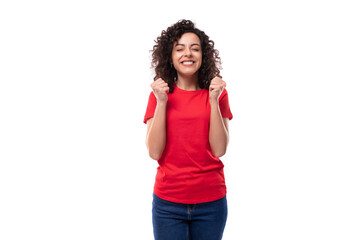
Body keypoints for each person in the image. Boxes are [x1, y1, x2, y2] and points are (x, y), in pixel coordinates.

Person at [143, 19, 233, 240]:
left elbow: (219, 149)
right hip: (168, 204)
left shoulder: (217, 94)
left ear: (203, 56)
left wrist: (213, 101)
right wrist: (162, 102)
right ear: (170, 57)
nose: (188, 54)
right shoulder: (158, 96)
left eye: (195, 48)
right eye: (179, 48)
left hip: (211, 202)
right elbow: (154, 153)